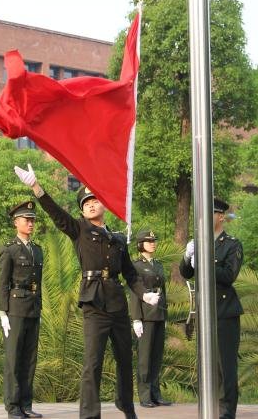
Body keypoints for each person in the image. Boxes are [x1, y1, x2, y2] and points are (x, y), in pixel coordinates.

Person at [14, 163, 160, 419]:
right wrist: (37, 188)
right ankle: (90, 415)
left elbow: (131, 273)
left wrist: (143, 294)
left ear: (103, 204)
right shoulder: (79, 229)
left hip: (117, 303)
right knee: (92, 363)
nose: (91, 205)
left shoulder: (117, 238)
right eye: (85, 203)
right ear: (82, 211)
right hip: (94, 303)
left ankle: (126, 405)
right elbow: (58, 215)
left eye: (94, 200)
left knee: (125, 360)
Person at [179, 197, 243, 419]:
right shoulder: (200, 241)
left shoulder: (231, 244)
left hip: (224, 310)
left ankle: (226, 412)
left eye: (211, 213)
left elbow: (229, 275)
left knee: (225, 365)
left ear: (221, 216)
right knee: (208, 365)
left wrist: (204, 263)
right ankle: (211, 408)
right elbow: (186, 273)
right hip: (204, 309)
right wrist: (188, 257)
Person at [0, 200, 44, 418]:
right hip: (15, 308)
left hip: (33, 307)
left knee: (29, 358)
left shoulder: (37, 250)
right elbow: (3, 283)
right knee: (14, 358)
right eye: (27, 220)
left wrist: (40, 309)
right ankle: (13, 406)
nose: (31, 223)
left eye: (33, 220)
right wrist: (2, 312)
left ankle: (26, 404)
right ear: (16, 222)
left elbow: (39, 283)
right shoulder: (10, 250)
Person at [128, 229, 171, 408]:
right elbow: (133, 292)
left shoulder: (158, 265)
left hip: (159, 314)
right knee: (145, 358)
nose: (152, 243)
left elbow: (163, 291)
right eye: (148, 241)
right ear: (140, 244)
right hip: (145, 316)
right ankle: (145, 395)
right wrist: (136, 318)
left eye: (154, 240)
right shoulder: (136, 266)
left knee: (156, 357)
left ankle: (156, 393)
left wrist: (165, 313)